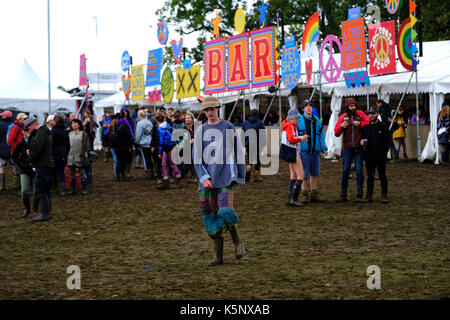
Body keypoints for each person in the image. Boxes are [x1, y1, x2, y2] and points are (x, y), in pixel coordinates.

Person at [193, 96, 246, 266]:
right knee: (210, 217)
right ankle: (218, 256)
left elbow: (238, 150)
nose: (210, 112)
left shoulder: (228, 126)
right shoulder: (200, 131)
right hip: (207, 181)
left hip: (225, 178)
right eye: (207, 110)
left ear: (218, 109)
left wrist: (240, 174)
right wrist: (204, 177)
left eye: (213, 109)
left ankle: (238, 243)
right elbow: (196, 158)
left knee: (225, 211)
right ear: (204, 112)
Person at [334, 97, 370, 202]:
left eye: (354, 105)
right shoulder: (343, 117)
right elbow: (336, 133)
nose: (353, 107)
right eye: (351, 106)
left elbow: (368, 124)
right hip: (348, 148)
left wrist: (361, 124)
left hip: (359, 147)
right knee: (345, 170)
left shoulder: (360, 114)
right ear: (347, 107)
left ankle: (360, 195)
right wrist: (342, 126)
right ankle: (343, 194)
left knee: (359, 170)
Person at [297, 100, 328, 204]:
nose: (309, 108)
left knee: (314, 173)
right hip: (304, 151)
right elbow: (295, 135)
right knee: (304, 174)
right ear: (303, 109)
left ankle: (314, 195)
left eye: (310, 106)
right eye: (306, 106)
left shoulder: (317, 121)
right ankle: (304, 195)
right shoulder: (299, 120)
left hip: (315, 151)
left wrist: (324, 148)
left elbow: (321, 136)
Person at [27, 115, 54, 222]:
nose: (28, 131)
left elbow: (37, 148)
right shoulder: (44, 132)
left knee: (41, 190)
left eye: (28, 128)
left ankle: (44, 213)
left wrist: (30, 156)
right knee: (46, 191)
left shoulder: (41, 133)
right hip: (47, 165)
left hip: (42, 165)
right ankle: (46, 212)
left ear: (33, 125)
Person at [361, 106, 390, 203]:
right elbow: (363, 142)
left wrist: (384, 153)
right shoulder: (366, 128)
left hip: (380, 157)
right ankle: (369, 196)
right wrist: (362, 145)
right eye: (369, 114)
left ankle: (384, 195)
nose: (371, 115)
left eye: (373, 113)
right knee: (370, 176)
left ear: (377, 114)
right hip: (369, 157)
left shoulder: (384, 127)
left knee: (382, 176)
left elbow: (387, 143)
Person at [280, 109, 308, 207]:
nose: (297, 119)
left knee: (293, 175)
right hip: (293, 152)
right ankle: (294, 199)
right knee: (301, 175)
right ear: (293, 117)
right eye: (297, 117)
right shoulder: (291, 125)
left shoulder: (284, 125)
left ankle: (289, 198)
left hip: (287, 152)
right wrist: (302, 138)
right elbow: (292, 139)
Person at [12, 120, 39, 217]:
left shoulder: (37, 140)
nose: (28, 133)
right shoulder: (21, 144)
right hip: (25, 169)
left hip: (36, 168)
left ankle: (35, 209)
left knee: (37, 190)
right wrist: (22, 163)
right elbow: (14, 156)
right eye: (27, 131)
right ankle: (27, 209)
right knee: (24, 191)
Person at [155, 111, 182, 189]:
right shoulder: (169, 126)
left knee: (164, 165)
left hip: (165, 149)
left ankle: (166, 181)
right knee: (172, 164)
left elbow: (161, 141)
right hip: (171, 147)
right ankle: (178, 181)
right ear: (164, 118)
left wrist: (159, 151)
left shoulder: (160, 129)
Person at [243, 109, 266, 182]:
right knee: (257, 161)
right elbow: (263, 134)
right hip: (257, 144)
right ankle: (256, 178)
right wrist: (263, 145)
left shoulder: (246, 123)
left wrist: (244, 143)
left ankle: (247, 177)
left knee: (249, 161)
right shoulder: (260, 123)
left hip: (248, 144)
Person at [67, 119, 90, 195]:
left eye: (75, 123)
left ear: (79, 125)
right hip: (70, 157)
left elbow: (87, 146)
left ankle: (84, 188)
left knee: (82, 173)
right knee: (71, 174)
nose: (73, 125)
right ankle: (72, 189)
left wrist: (85, 156)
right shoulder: (69, 134)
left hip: (80, 157)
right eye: (72, 123)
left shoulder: (83, 134)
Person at [7, 112, 27, 195]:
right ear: (20, 119)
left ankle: (20, 187)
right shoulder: (16, 128)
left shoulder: (22, 128)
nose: (26, 120)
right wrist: (17, 150)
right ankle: (16, 188)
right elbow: (10, 140)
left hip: (21, 153)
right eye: (24, 119)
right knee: (17, 170)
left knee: (19, 169)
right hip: (17, 153)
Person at [111, 110, 134, 181]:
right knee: (123, 161)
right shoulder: (125, 125)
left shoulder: (115, 125)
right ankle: (123, 175)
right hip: (124, 146)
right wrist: (130, 146)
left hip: (117, 146)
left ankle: (118, 175)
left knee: (118, 160)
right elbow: (129, 136)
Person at [51, 115, 70, 196]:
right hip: (63, 154)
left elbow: (50, 143)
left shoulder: (53, 131)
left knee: (53, 172)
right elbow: (68, 145)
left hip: (54, 154)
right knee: (61, 171)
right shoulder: (65, 131)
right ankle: (62, 189)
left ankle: (55, 188)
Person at [134, 109, 154, 179]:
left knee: (145, 159)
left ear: (140, 115)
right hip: (150, 143)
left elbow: (138, 135)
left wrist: (136, 143)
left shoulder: (139, 123)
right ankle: (152, 172)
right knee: (150, 158)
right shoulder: (150, 122)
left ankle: (148, 173)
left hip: (143, 144)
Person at [0, 110, 13, 192]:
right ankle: (16, 185)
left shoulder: (0, 124)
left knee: (1, 167)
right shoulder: (13, 125)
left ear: (4, 116)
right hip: (12, 149)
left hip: (2, 149)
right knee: (15, 166)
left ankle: (1, 186)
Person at [183, 111, 197, 183]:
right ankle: (192, 176)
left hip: (195, 147)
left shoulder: (196, 126)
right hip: (187, 147)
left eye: (189, 118)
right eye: (186, 118)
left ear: (192, 118)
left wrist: (194, 139)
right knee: (189, 162)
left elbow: (199, 136)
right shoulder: (184, 127)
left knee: (194, 162)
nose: (187, 120)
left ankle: (196, 177)